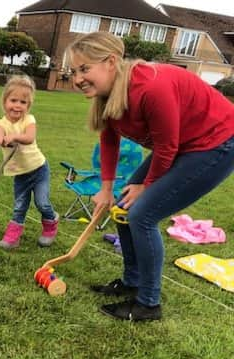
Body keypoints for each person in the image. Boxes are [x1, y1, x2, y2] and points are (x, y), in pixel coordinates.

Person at [67, 31, 234, 321]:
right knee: (122, 207)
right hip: (182, 145)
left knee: (141, 215)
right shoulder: (109, 95)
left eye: (84, 69)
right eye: (73, 71)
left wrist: (147, 186)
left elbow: (167, 146)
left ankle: (148, 303)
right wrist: (106, 189)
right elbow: (109, 141)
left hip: (217, 142)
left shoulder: (150, 86)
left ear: (110, 62)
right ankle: (132, 282)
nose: (78, 78)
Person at [0, 75, 58, 250]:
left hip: (39, 169)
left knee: (42, 202)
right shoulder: (0, 123)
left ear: (28, 106)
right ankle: (12, 238)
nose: (17, 105)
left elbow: (29, 137)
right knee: (20, 206)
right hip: (20, 174)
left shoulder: (29, 120)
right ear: (5, 101)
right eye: (13, 100)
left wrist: (15, 136)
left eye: (23, 102)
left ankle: (51, 225)